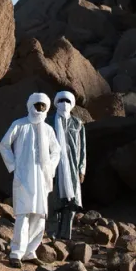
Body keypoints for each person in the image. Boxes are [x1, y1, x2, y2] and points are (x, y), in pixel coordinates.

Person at [0, 93, 61, 268]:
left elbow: (56, 151)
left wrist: (50, 167)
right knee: (23, 215)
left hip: (42, 178)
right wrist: (13, 166)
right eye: (37, 105)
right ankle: (16, 253)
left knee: (39, 216)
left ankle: (30, 252)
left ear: (47, 108)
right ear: (30, 105)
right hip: (23, 176)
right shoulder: (19, 124)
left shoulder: (48, 129)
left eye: (42, 106)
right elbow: (4, 145)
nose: (39, 109)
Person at [45, 90, 87, 241]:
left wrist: (82, 169)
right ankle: (52, 233)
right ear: (56, 103)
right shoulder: (49, 121)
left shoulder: (78, 123)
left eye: (67, 101)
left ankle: (65, 235)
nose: (64, 104)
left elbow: (82, 148)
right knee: (53, 200)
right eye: (61, 100)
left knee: (71, 202)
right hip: (54, 167)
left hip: (72, 169)